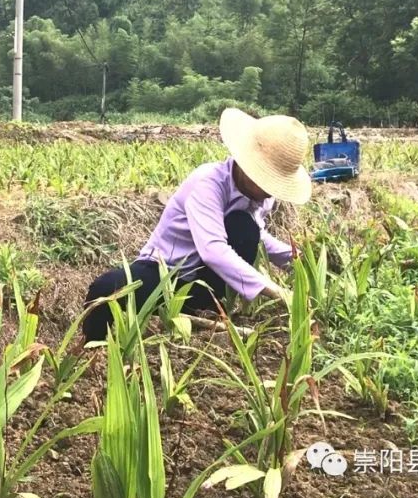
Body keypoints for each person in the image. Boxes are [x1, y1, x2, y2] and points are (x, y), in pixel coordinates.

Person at [81, 108, 312, 342]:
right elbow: (214, 250)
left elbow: (257, 237)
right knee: (105, 289)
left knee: (244, 228)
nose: (270, 192)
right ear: (247, 166)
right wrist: (278, 292)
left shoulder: (260, 196)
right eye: (267, 180)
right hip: (164, 273)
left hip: (205, 285)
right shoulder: (208, 183)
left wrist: (300, 262)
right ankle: (94, 349)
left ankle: (209, 309)